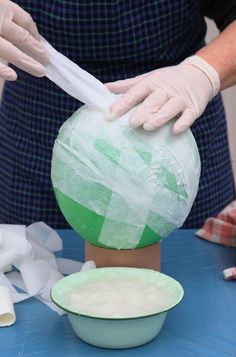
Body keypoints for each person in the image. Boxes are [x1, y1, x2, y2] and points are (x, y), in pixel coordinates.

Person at [0, 0, 235, 236]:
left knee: (191, 263)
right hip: (38, 129)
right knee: (33, 260)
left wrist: (202, 73)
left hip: (174, 123)